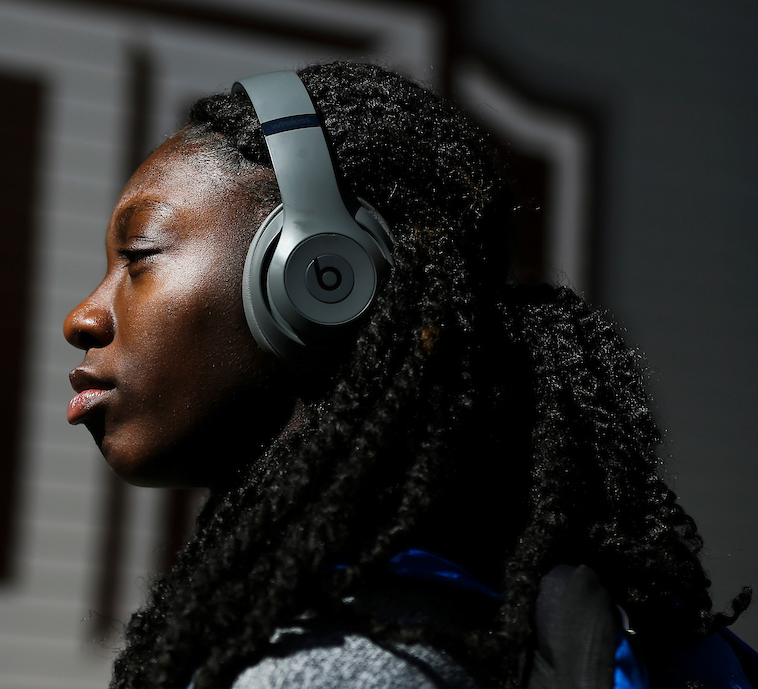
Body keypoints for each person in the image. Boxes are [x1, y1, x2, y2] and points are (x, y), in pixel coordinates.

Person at [62, 61, 750, 689]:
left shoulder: (334, 666)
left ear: (318, 276)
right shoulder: (479, 607)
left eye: (139, 255)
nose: (83, 317)